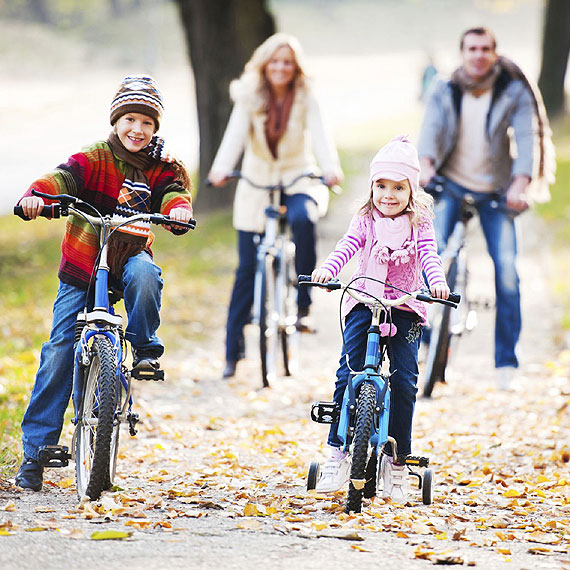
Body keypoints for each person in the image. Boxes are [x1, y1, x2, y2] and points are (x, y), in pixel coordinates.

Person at [14, 75, 194, 491]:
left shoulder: (161, 165)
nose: (138, 129)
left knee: (147, 275)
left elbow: (173, 194)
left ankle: (145, 347)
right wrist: (36, 196)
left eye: (147, 123)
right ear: (116, 121)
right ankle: (36, 453)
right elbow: (61, 179)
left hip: (130, 257)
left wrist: (179, 209)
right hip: (83, 266)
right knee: (60, 350)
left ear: (156, 128)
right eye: (130, 119)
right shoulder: (94, 157)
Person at [311, 135, 450, 501]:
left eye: (398, 187)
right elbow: (346, 246)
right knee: (348, 373)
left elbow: (430, 257)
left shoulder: (420, 223)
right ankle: (338, 451)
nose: (388, 194)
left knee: (404, 381)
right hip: (363, 301)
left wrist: (437, 285)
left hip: (406, 307)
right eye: (381, 185)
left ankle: (397, 460)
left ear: (412, 190)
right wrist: (328, 270)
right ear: (372, 187)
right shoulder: (366, 219)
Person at [417, 27, 555, 390]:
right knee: (429, 260)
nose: (478, 55)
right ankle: (423, 341)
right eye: (472, 48)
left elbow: (528, 137)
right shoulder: (444, 88)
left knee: (507, 272)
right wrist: (426, 165)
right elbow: (429, 131)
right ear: (461, 53)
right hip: (451, 183)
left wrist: (521, 182)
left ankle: (506, 362)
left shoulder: (513, 90)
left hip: (496, 189)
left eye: (485, 49)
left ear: (495, 53)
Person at [208, 32, 343, 379]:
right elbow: (235, 135)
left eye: (288, 62)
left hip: (298, 176)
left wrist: (330, 168)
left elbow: (321, 133)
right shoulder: (248, 95)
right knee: (247, 269)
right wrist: (220, 169)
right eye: (275, 62)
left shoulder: (305, 96)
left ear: (295, 67)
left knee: (304, 219)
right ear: (264, 65)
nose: (281, 68)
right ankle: (232, 353)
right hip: (258, 181)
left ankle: (304, 304)